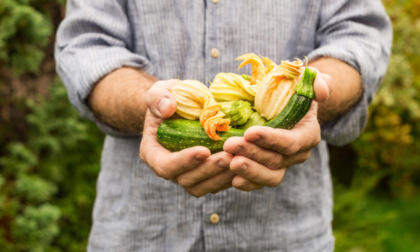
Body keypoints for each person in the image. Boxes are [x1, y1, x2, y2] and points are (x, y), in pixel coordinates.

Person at [55, 1, 392, 251]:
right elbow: (86, 46)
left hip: (286, 236)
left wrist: (308, 93)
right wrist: (150, 102)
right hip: (139, 235)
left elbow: (359, 36)